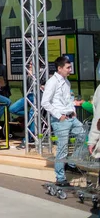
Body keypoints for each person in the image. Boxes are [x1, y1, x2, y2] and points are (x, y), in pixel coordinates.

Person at [41, 55, 83, 187]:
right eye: (68, 67)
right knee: (62, 149)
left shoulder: (66, 81)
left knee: (84, 137)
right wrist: (59, 115)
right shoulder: (52, 82)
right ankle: (60, 177)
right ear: (59, 68)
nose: (70, 70)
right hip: (61, 120)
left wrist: (72, 110)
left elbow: (69, 98)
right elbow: (45, 102)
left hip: (71, 117)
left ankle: (70, 163)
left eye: (70, 67)